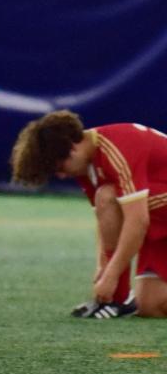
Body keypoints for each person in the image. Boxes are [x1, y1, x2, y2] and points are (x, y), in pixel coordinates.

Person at [10, 110, 167, 318]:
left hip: (155, 216)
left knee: (109, 196)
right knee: (150, 306)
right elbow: (107, 223)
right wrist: (102, 266)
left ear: (72, 149)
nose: (62, 175)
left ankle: (117, 298)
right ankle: (117, 300)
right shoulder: (88, 166)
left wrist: (111, 276)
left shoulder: (118, 148)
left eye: (60, 168)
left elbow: (137, 221)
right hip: (160, 222)